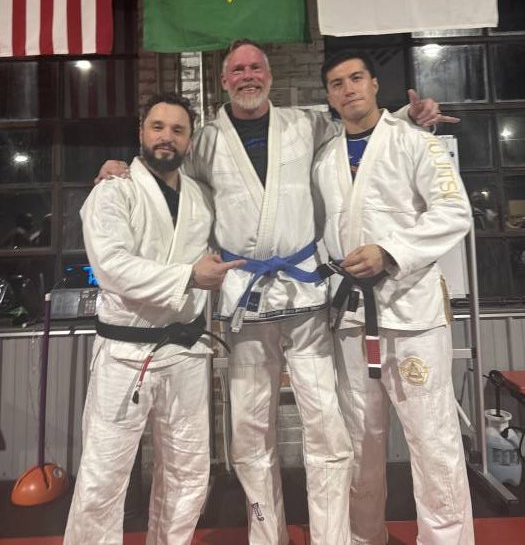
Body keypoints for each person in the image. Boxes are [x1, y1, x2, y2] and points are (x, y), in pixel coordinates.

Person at [96, 40, 447, 545]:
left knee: (326, 427)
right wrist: (122, 169)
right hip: (246, 301)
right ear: (224, 81)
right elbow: (163, 170)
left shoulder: (307, 124)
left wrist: (409, 121)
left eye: (256, 67)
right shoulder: (204, 142)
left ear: (269, 75)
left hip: (306, 298)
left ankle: (333, 538)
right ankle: (267, 537)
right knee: (250, 431)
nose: (248, 76)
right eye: (237, 69)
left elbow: (363, 130)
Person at [64, 93, 243, 545]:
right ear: (141, 132)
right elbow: (112, 266)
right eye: (158, 127)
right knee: (104, 475)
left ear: (189, 141)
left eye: (178, 130)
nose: (167, 137)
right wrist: (188, 276)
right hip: (126, 352)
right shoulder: (113, 191)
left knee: (188, 471)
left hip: (185, 353)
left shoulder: (201, 198)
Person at [312, 50, 474, 545]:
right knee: (360, 441)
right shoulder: (324, 158)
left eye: (356, 78)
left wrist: (389, 251)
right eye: (337, 83)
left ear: (374, 84)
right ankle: (365, 537)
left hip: (412, 312)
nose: (348, 89)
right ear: (329, 96)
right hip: (351, 317)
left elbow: (454, 212)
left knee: (433, 440)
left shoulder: (416, 142)